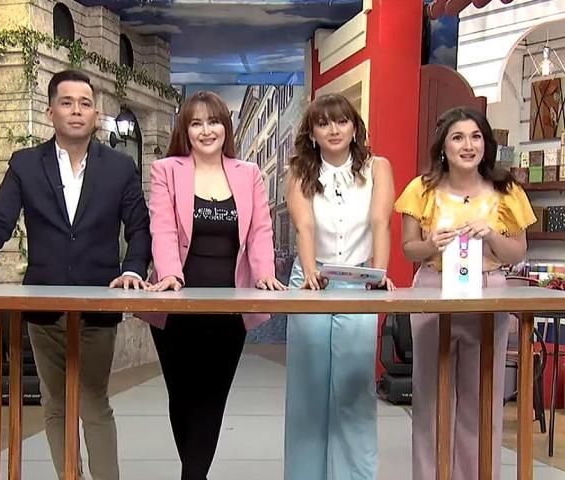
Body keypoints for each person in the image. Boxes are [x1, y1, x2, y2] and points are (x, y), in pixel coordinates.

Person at [0, 69, 152, 480]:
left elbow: (139, 227)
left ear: (95, 114)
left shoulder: (120, 168)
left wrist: (134, 270)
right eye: (67, 103)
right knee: (55, 405)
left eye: (85, 103)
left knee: (93, 403)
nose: (76, 110)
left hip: (98, 308)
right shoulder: (26, 164)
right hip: (43, 309)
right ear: (51, 112)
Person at [140, 90, 286, 480]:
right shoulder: (166, 170)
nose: (206, 131)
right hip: (175, 305)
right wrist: (169, 274)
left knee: (211, 398)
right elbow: (163, 227)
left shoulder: (249, 173)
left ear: (226, 127)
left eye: (214, 122)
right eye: (197, 123)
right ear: (185, 130)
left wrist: (264, 273)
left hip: (229, 308)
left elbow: (260, 230)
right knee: (182, 396)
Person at [394, 106, 536, 480]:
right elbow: (408, 249)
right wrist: (431, 244)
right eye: (458, 137)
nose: (467, 145)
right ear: (443, 146)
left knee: (481, 400)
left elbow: (517, 252)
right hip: (433, 291)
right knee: (430, 400)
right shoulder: (421, 189)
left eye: (475, 137)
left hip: (487, 294)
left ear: (486, 144)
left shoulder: (508, 191)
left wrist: (491, 235)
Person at [284, 93, 395, 480]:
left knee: (354, 389)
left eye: (341, 121)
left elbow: (381, 222)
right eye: (323, 123)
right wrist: (310, 272)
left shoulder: (378, 167)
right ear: (312, 132)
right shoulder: (299, 170)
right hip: (311, 281)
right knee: (308, 390)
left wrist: (378, 274)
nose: (333, 129)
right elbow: (304, 226)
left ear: (354, 127)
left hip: (359, 281)